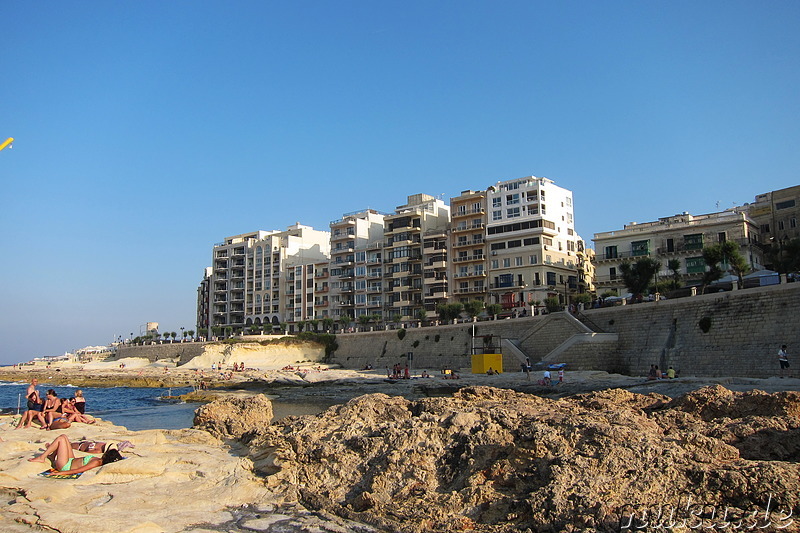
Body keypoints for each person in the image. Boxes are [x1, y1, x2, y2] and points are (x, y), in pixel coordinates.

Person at [28, 434, 123, 474]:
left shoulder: (97, 462)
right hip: (71, 460)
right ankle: (52, 456)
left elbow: (78, 470)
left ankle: (42, 457)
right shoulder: (99, 460)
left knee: (61, 439)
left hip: (66, 465)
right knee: (64, 437)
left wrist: (61, 473)